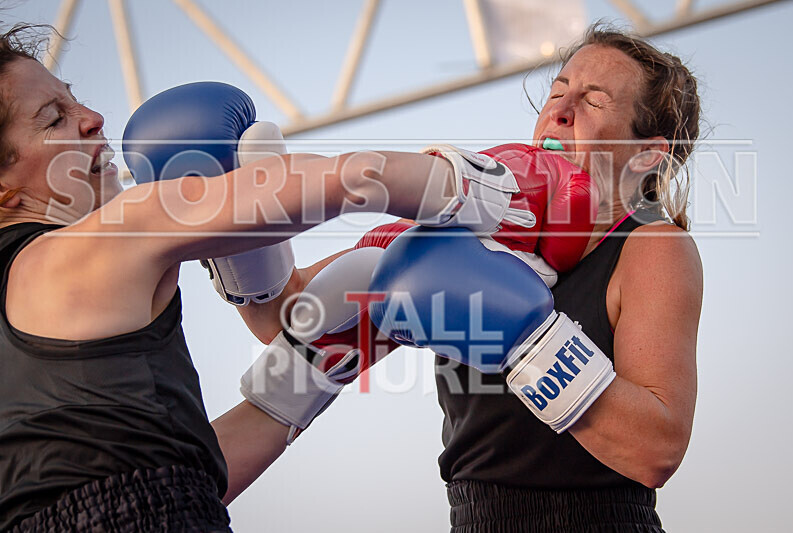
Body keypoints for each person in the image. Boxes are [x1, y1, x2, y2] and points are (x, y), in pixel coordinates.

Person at [0, 21, 511, 531]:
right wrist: (474, 187)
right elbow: (348, 180)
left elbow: (158, 486)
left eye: (75, 100)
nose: (93, 119)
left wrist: (295, 382)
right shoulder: (99, 242)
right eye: (54, 118)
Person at [238, 24, 703, 533]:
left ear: (647, 154)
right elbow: (287, 317)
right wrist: (240, 231)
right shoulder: (478, 231)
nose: (562, 110)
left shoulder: (652, 247)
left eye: (594, 100)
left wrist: (527, 342)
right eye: (557, 93)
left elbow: (656, 450)